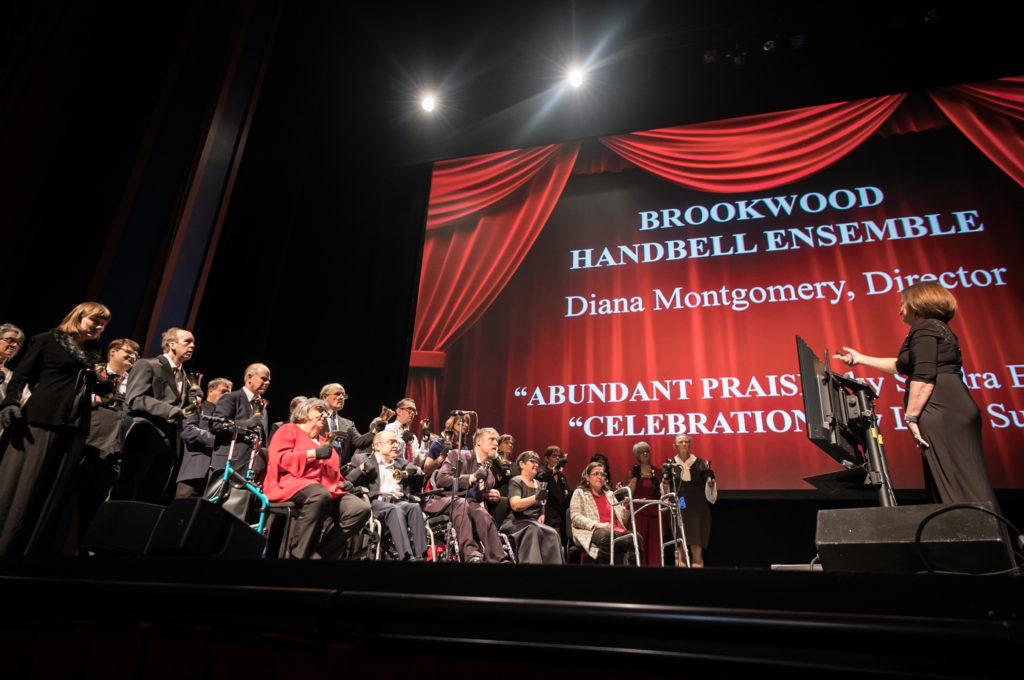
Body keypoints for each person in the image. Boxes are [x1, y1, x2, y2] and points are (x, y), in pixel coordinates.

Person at [834, 281, 999, 508]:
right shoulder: (937, 328)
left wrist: (910, 417)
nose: (900, 310)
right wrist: (860, 359)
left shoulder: (924, 328)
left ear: (918, 304)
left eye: (903, 304)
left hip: (941, 409)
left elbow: (924, 375)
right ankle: (981, 534)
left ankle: (976, 537)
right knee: (962, 480)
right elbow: (903, 367)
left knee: (955, 485)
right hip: (951, 407)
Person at [0, 302, 112, 555]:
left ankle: (30, 553)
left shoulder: (94, 353)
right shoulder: (48, 340)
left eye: (103, 324)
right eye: (95, 320)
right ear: (78, 317)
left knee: (51, 494)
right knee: (22, 487)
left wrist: (103, 382)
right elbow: (20, 377)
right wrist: (10, 404)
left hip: (74, 427)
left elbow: (102, 390)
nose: (99, 327)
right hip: (41, 419)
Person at [264, 397, 370, 559]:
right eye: (319, 410)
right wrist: (312, 454)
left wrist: (343, 482)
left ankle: (319, 555)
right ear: (304, 413)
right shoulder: (288, 430)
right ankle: (297, 555)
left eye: (325, 412)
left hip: (328, 489)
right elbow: (280, 460)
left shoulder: (323, 441)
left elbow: (331, 470)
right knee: (319, 495)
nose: (324, 414)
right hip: (292, 483)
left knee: (359, 509)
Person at [114, 327, 195, 504]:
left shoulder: (186, 377)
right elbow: (135, 398)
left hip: (170, 443)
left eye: (193, 343)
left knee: (150, 498)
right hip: (145, 436)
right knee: (127, 492)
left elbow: (183, 408)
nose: (192, 346)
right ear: (172, 344)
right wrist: (170, 410)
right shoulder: (148, 364)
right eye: (187, 342)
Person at [77, 337, 139, 539]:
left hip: (114, 452)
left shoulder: (134, 384)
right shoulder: (95, 373)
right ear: (112, 351)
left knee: (94, 509)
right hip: (86, 444)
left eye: (135, 355)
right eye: (127, 352)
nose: (132, 357)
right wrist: (97, 399)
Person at [425, 426, 510, 563]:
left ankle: (499, 558)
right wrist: (471, 478)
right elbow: (441, 479)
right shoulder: (458, 455)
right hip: (447, 501)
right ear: (479, 442)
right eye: (492, 439)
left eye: (497, 440)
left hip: (472, 507)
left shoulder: (489, 472)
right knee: (462, 503)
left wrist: (494, 495)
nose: (496, 443)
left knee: (482, 513)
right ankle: (470, 554)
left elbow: (482, 496)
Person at [345, 429, 428, 561]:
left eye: (397, 443)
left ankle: (422, 556)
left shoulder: (401, 463)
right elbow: (348, 481)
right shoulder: (361, 459)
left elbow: (416, 486)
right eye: (391, 442)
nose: (396, 446)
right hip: (375, 502)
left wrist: (418, 473)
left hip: (398, 501)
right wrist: (362, 469)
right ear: (377, 446)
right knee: (395, 510)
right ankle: (406, 557)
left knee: (414, 507)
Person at [661, 434, 716, 567]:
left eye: (686, 442)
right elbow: (665, 490)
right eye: (680, 442)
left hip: (697, 507)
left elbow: (710, 489)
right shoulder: (670, 464)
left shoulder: (700, 463)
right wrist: (665, 481)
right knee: (681, 545)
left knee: (696, 546)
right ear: (675, 446)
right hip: (680, 506)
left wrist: (711, 482)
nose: (684, 444)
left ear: (690, 445)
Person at [210, 363, 271, 480]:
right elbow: (217, 425)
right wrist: (248, 423)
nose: (267, 383)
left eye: (268, 380)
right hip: (229, 463)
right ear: (249, 378)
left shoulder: (264, 407)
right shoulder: (231, 398)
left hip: (251, 466)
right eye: (263, 379)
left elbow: (263, 437)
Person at [502, 450, 565, 564]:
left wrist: (542, 514)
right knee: (534, 530)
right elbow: (515, 505)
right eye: (532, 461)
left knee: (553, 533)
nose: (536, 465)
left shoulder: (538, 483)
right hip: (517, 522)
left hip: (532, 522)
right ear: (522, 464)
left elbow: (542, 506)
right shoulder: (516, 481)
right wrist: (535, 497)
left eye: (537, 462)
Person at [174, 377, 232, 498]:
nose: (227, 396)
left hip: (216, 477)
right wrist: (217, 441)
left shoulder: (228, 417)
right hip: (194, 471)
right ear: (210, 390)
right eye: (223, 391)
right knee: (182, 512)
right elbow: (188, 432)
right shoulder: (197, 407)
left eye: (229, 393)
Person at [569, 461, 636, 564]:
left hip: (615, 530)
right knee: (607, 537)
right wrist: (597, 524)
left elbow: (623, 520)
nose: (600, 477)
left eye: (602, 474)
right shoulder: (580, 493)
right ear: (587, 477)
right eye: (596, 473)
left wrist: (626, 506)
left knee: (637, 537)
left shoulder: (610, 494)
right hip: (593, 530)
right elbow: (575, 517)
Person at [626, 440, 666, 566]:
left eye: (647, 451)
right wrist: (635, 477)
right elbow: (629, 494)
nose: (645, 454)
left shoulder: (659, 472)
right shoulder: (633, 473)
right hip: (638, 514)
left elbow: (664, 492)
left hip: (655, 513)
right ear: (636, 456)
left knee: (655, 549)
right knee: (639, 547)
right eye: (641, 452)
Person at [319, 383, 376, 467]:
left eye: (343, 395)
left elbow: (359, 442)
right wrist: (330, 438)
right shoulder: (316, 418)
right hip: (319, 466)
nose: (341, 397)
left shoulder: (348, 424)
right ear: (325, 397)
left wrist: (375, 430)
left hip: (340, 470)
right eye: (337, 394)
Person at [537, 445, 569, 543]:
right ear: (546, 458)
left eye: (559, 456)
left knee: (558, 543)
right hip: (546, 513)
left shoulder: (561, 475)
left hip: (559, 514)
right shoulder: (542, 470)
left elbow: (565, 491)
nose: (557, 458)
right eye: (554, 456)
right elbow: (542, 478)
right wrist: (555, 469)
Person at [425, 413, 470, 477]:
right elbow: (426, 470)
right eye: (462, 421)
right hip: (437, 483)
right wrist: (442, 456)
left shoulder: (464, 447)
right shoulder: (438, 443)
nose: (466, 425)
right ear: (453, 423)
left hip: (455, 483)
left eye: (467, 422)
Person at [386, 398, 423, 465]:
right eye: (409, 409)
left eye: (414, 411)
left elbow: (418, 462)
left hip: (409, 473)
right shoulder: (388, 429)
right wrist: (402, 441)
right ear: (399, 411)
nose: (412, 413)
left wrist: (425, 443)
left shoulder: (413, 437)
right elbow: (387, 452)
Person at [0, 323, 26, 402]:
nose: (14, 345)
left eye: (18, 343)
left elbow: (26, 399)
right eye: (10, 340)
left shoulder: (13, 377)